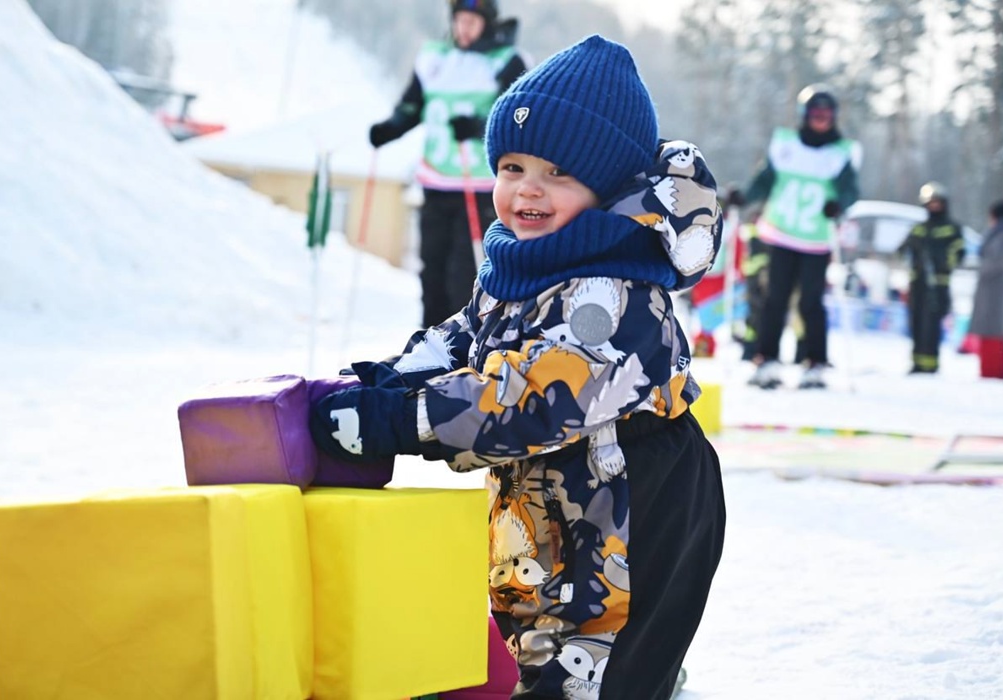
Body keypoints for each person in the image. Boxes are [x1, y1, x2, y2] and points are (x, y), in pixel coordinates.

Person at [309, 36, 726, 700]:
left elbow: (530, 398)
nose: (526, 190)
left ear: (607, 187)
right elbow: (467, 338)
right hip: (549, 499)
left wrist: (402, 420)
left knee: (583, 669)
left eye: (557, 174)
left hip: (632, 501)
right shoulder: (522, 262)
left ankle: (646, 680)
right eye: (511, 166)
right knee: (530, 649)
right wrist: (391, 378)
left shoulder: (611, 292)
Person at [368, 0, 528, 327]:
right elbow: (412, 108)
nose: (465, 27)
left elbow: (518, 117)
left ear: (488, 23)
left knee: (464, 274)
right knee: (432, 271)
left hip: (481, 186)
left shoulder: (507, 61)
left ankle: (464, 345)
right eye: (460, 20)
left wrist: (479, 127)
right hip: (436, 183)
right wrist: (390, 129)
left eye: (473, 21)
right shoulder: (434, 59)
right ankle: (430, 344)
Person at [736, 84, 862, 389]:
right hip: (780, 232)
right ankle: (767, 359)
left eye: (826, 115)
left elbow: (850, 190)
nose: (821, 120)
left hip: (816, 238)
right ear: (805, 115)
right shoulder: (786, 145)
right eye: (815, 114)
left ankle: (815, 362)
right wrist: (744, 197)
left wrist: (839, 205)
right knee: (774, 300)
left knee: (810, 303)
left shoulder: (841, 152)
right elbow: (765, 181)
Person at [898, 182, 966, 374]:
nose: (934, 206)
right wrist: (911, 255)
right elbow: (902, 250)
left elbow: (958, 252)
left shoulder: (952, 228)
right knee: (916, 322)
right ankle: (917, 362)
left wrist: (943, 264)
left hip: (938, 284)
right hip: (917, 283)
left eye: (937, 202)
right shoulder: (919, 229)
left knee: (930, 325)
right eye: (930, 203)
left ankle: (930, 364)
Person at [967, 200, 1003, 379]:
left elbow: (999, 262)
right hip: (991, 289)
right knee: (988, 330)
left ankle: (993, 372)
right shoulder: (1001, 233)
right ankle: (989, 371)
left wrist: (982, 268)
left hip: (996, 289)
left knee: (993, 330)